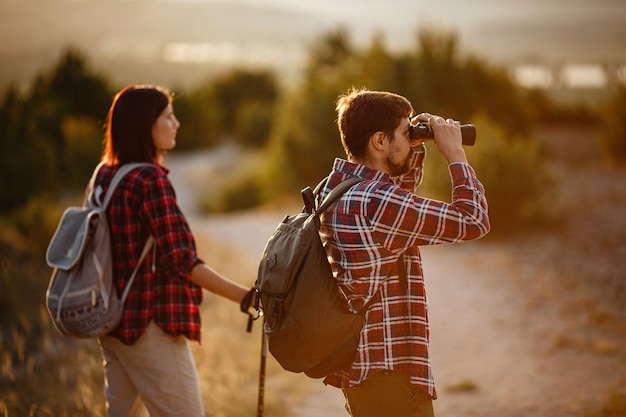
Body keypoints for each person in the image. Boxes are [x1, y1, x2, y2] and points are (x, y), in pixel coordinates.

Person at [317, 88, 490, 417]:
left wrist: (413, 144)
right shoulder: (378, 202)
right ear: (380, 141)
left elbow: (398, 198)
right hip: (391, 374)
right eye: (404, 131)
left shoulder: (337, 186)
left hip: (363, 370)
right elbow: (474, 219)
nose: (409, 137)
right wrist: (455, 155)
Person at [94, 84, 253, 417]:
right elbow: (182, 259)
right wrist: (244, 296)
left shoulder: (105, 175)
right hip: (150, 328)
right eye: (167, 116)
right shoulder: (150, 181)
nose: (176, 123)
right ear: (145, 125)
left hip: (112, 323)